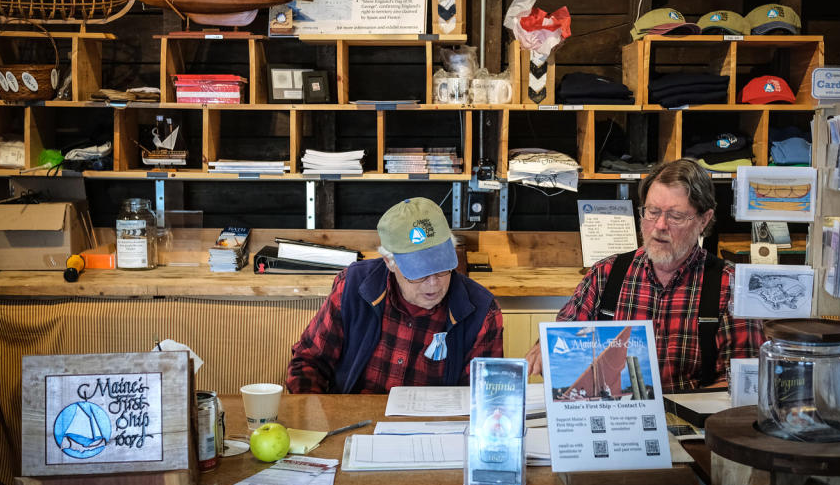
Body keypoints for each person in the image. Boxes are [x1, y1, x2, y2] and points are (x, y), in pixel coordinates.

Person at [526, 158, 762, 392]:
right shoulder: (606, 275)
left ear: (703, 220)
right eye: (652, 211)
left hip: (693, 422)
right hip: (617, 418)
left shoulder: (730, 285)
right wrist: (546, 346)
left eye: (675, 216)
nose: (660, 225)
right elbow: (563, 339)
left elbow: (741, 385)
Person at [286, 197, 503, 393]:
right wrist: (318, 425)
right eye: (419, 273)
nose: (433, 283)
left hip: (434, 430)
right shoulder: (353, 286)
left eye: (441, 267)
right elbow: (308, 362)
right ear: (390, 262)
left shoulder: (481, 311)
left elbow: (485, 398)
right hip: (354, 424)